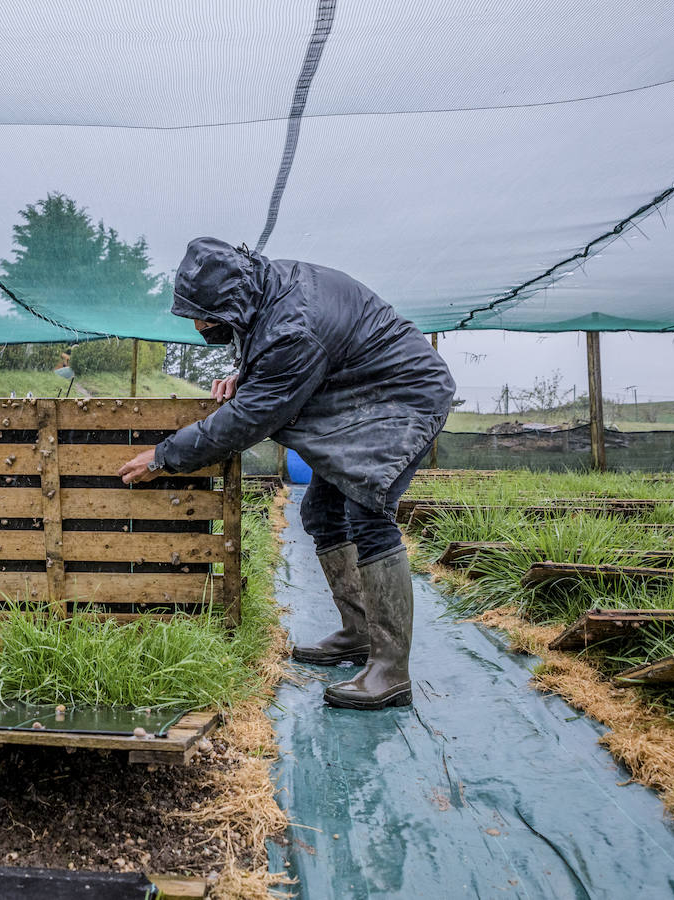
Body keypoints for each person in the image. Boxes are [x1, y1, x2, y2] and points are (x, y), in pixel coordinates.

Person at [117, 237, 455, 710]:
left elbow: (252, 417)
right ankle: (359, 633)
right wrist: (245, 371)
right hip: (358, 392)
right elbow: (272, 350)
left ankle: (390, 669)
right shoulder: (265, 287)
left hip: (401, 399)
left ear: (229, 300)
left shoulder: (294, 327)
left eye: (203, 313)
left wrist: (165, 456)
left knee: (368, 513)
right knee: (320, 510)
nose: (198, 324)